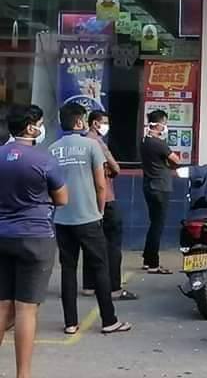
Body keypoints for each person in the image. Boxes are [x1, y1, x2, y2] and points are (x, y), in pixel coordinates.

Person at [50, 102, 131, 335]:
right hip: (88, 217)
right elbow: (100, 184)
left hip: (62, 219)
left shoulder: (52, 149)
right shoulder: (91, 145)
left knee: (68, 269)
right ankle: (109, 320)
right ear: (79, 122)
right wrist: (100, 211)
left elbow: (51, 186)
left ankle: (70, 323)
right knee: (100, 267)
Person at [0, 104, 67, 378]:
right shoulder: (43, 160)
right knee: (26, 310)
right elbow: (62, 198)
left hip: (2, 235)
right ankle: (23, 374)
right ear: (30, 127)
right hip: (35, 237)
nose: (41, 128)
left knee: (2, 305)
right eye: (39, 124)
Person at [81, 111, 137, 301]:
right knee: (112, 245)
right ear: (95, 123)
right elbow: (115, 168)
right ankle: (114, 288)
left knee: (91, 242)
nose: (106, 126)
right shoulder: (97, 143)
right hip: (105, 199)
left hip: (87, 200)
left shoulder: (82, 143)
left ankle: (89, 285)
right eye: (104, 122)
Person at [140, 109, 180, 274]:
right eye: (164, 123)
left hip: (149, 186)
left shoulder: (144, 141)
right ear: (158, 124)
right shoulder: (158, 143)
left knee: (153, 224)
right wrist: (169, 163)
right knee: (158, 226)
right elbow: (176, 160)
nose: (165, 126)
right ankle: (154, 264)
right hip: (160, 188)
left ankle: (147, 259)